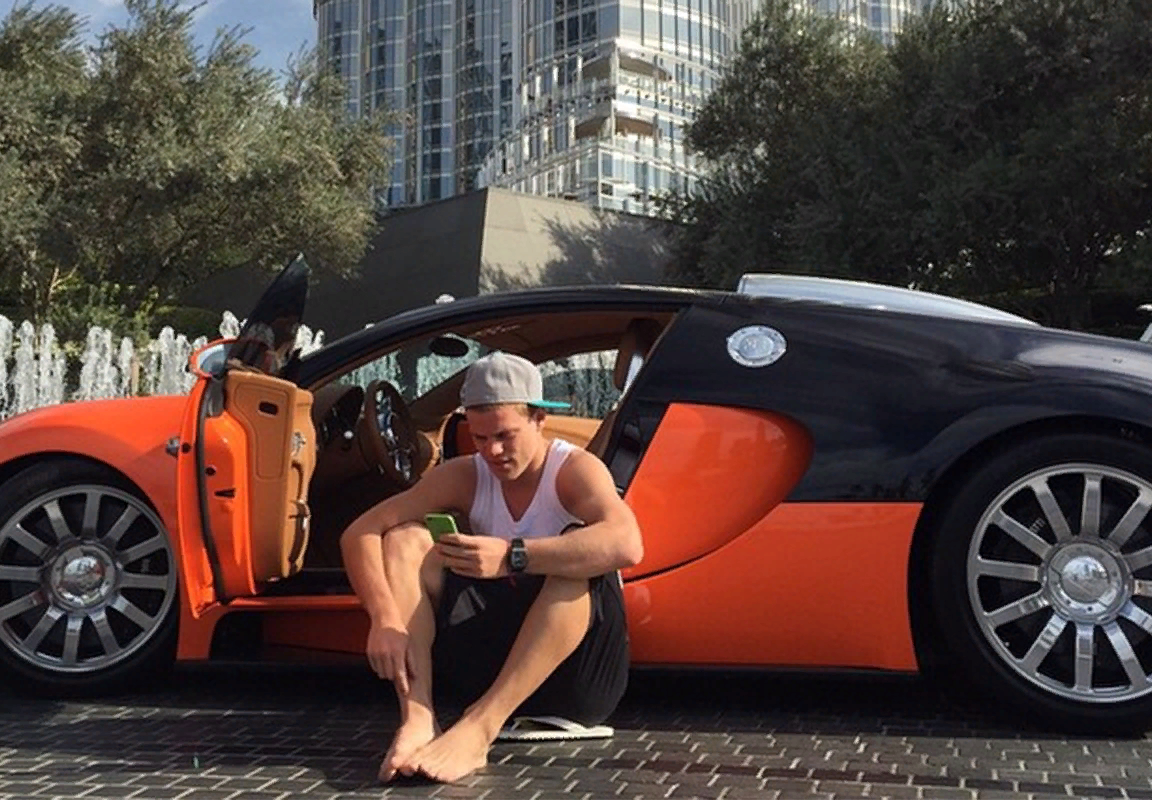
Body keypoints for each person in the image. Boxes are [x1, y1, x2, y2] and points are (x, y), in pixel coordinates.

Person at [340, 350, 643, 784]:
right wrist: (385, 619)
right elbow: (360, 532)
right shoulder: (466, 474)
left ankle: (480, 729)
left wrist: (512, 555)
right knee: (405, 538)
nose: (493, 451)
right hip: (490, 668)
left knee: (577, 553)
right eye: (480, 438)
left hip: (577, 682)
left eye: (505, 435)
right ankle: (418, 717)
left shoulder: (573, 470)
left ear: (539, 419)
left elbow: (627, 544)